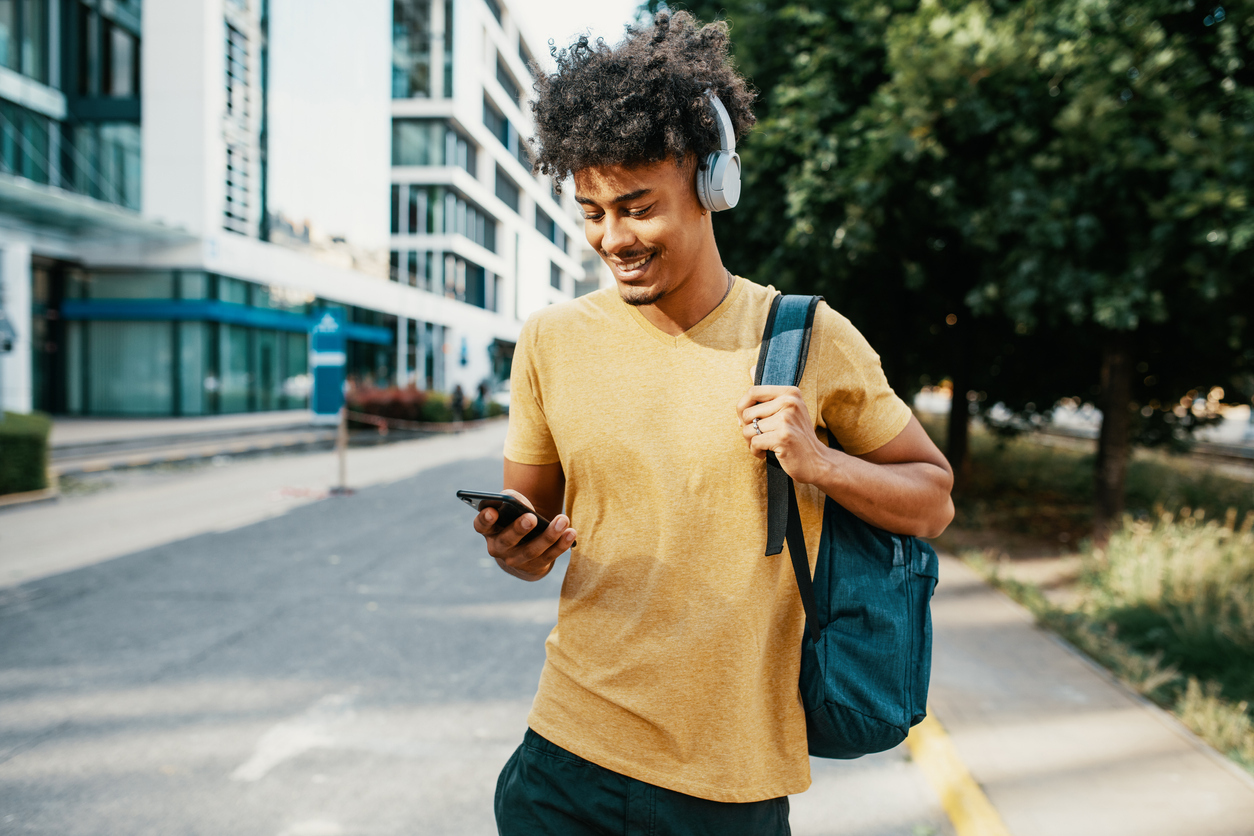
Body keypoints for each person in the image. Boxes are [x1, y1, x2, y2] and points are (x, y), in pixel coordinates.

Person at [472, 11, 954, 835]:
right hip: (564, 756)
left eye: (636, 207)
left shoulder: (806, 338)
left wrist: (820, 463)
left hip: (726, 781)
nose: (613, 238)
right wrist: (514, 548)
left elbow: (933, 499)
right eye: (591, 212)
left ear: (710, 183)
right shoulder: (552, 342)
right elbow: (532, 542)